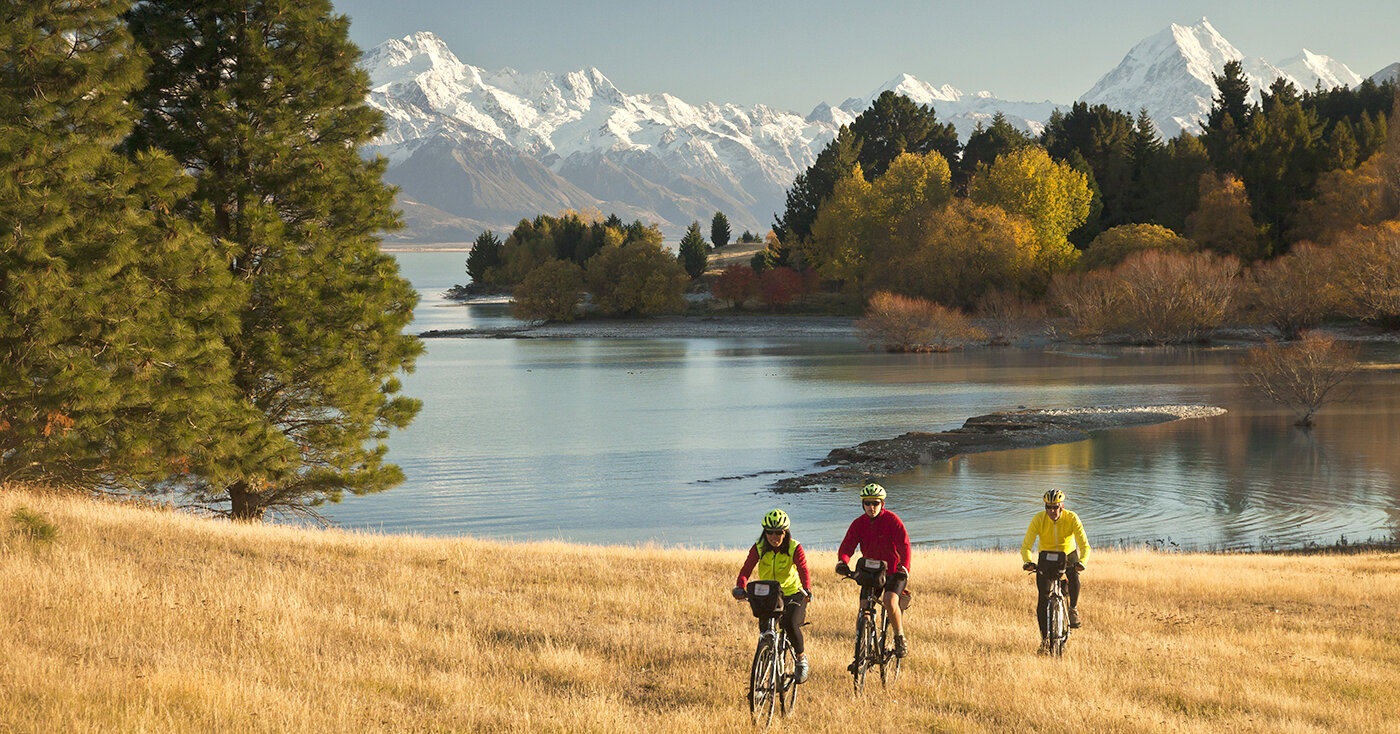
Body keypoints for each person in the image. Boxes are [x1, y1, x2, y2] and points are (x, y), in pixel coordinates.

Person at [733, 509, 813, 683]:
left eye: (779, 532)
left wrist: (807, 589)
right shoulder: (759, 547)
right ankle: (762, 678)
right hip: (769, 595)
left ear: (786, 533)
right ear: (765, 532)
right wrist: (739, 586)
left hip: (793, 594)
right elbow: (746, 569)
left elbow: (803, 569)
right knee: (765, 632)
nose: (774, 536)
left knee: (791, 624)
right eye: (770, 532)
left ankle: (801, 659)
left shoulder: (794, 547)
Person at [835, 483, 912, 658]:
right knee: (864, 608)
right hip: (871, 573)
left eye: (875, 503)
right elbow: (847, 546)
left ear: (882, 504)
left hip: (894, 572)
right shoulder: (858, 524)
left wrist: (904, 568)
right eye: (867, 503)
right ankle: (862, 646)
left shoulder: (892, 521)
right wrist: (842, 562)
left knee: (889, 600)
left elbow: (904, 546)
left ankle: (899, 637)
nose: (871, 507)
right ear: (863, 504)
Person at [1021, 489, 1091, 647]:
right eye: (1048, 507)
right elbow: (1026, 545)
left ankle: (1072, 609)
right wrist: (1028, 561)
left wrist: (1082, 562)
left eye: (1055, 507)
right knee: (1042, 600)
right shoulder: (1038, 519)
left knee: (1073, 579)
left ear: (1062, 506)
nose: (1052, 511)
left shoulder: (1072, 518)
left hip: (1067, 555)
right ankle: (1045, 640)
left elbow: (1085, 545)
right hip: (1046, 558)